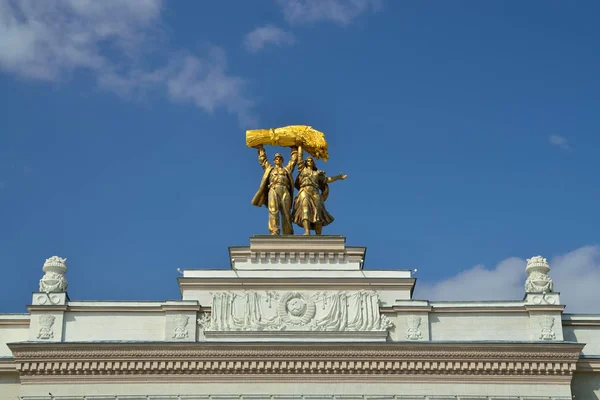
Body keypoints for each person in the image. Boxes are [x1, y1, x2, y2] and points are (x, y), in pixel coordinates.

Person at [292, 146, 346, 235]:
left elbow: (327, 179)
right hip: (304, 190)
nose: (309, 161)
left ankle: (318, 235)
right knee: (305, 209)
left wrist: (338, 177)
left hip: (315, 192)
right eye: (308, 160)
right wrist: (300, 145)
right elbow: (300, 157)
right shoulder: (302, 169)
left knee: (318, 213)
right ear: (305, 163)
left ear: (313, 163)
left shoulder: (317, 173)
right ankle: (307, 231)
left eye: (311, 160)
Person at [251, 145, 298, 235]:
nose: (278, 159)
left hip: (285, 190)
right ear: (274, 160)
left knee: (286, 212)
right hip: (273, 189)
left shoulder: (286, 169)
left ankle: (288, 232)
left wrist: (294, 149)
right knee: (273, 211)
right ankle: (274, 230)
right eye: (276, 158)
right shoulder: (270, 169)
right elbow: (263, 161)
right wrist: (261, 149)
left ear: (282, 160)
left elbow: (293, 161)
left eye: (280, 158)